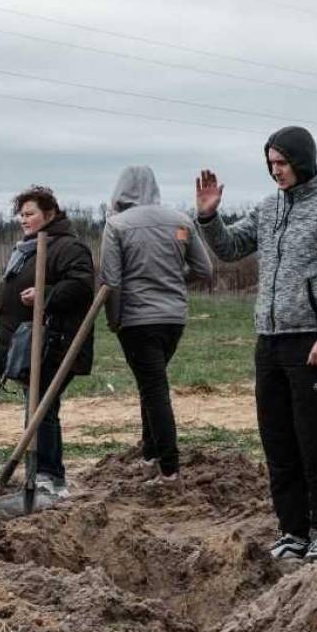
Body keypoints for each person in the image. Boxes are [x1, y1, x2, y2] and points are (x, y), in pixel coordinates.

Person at [196, 126, 317, 561]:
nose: (277, 173)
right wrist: (209, 218)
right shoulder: (269, 208)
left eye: (283, 164)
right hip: (268, 340)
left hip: (312, 342)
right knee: (278, 442)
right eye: (271, 165)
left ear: (303, 160)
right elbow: (232, 248)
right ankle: (292, 530)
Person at [101, 165, 213, 483]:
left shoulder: (116, 226)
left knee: (154, 389)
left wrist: (114, 319)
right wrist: (174, 281)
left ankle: (169, 468)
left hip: (136, 321)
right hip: (173, 318)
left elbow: (111, 281)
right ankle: (150, 453)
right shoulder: (180, 221)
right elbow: (204, 270)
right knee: (150, 385)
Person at [0, 185, 95, 498]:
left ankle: (49, 477)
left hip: (55, 343)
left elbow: (81, 287)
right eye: (21, 214)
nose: (24, 219)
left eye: (30, 213)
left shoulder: (67, 247)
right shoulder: (28, 249)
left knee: (42, 407)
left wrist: (46, 295)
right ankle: (45, 477)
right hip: (28, 343)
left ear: (49, 214)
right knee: (38, 406)